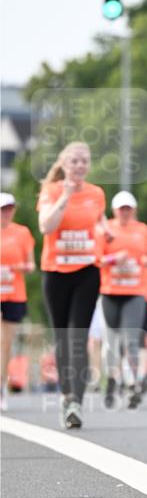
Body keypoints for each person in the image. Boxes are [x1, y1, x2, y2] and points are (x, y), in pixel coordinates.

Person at [37, 141, 106, 429]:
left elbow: (99, 223)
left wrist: (106, 234)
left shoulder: (96, 194)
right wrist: (64, 196)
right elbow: (46, 227)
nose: (80, 166)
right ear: (64, 164)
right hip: (56, 272)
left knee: (79, 335)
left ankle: (76, 401)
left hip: (87, 271)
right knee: (62, 336)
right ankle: (66, 395)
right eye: (74, 161)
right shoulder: (51, 191)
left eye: (84, 161)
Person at [100, 191, 147, 409]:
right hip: (110, 291)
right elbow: (96, 259)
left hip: (135, 291)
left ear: (134, 210)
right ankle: (112, 379)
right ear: (114, 211)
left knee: (131, 340)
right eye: (121, 209)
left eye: (128, 209)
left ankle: (132, 385)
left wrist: (144, 261)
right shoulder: (106, 230)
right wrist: (114, 259)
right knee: (111, 343)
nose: (125, 213)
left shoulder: (142, 230)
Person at [0, 193, 35, 411]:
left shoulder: (22, 233)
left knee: (6, 345)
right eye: (3, 209)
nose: (7, 213)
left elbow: (31, 264)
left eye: (10, 208)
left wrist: (18, 268)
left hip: (14, 293)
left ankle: (2, 386)